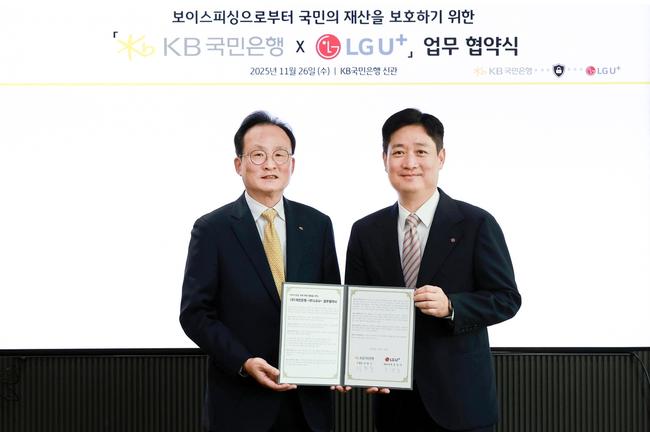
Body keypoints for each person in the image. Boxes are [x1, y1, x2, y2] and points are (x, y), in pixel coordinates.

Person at [345, 108, 521, 432]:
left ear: (441, 158)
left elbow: (506, 299)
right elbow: (357, 310)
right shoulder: (365, 231)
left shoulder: (476, 223)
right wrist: (360, 366)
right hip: (394, 403)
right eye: (399, 152)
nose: (410, 162)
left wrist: (452, 306)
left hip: (461, 402)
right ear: (384, 159)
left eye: (421, 151)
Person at [180, 111, 341, 432]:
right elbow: (195, 313)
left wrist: (342, 363)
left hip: (308, 404)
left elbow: (333, 304)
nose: (270, 164)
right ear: (238, 164)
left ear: (292, 165)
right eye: (258, 155)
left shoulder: (317, 225)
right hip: (242, 402)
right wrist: (243, 361)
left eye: (280, 155)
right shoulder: (212, 229)